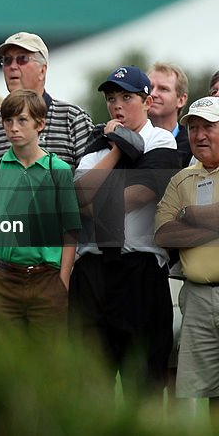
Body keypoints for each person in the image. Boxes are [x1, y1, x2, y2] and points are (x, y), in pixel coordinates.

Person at [71, 65, 182, 396]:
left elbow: (140, 195)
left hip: (140, 270)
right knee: (90, 384)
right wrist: (119, 146)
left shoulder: (159, 139)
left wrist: (97, 197)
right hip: (92, 272)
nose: (117, 105)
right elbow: (78, 198)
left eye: (126, 97)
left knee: (144, 383)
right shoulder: (96, 145)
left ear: (147, 102)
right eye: (110, 98)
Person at [0, 89, 81, 338]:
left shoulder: (59, 170)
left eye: (22, 120)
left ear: (40, 124)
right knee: (10, 364)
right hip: (6, 278)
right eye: (8, 120)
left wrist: (62, 281)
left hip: (47, 278)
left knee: (47, 366)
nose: (14, 127)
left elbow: (71, 230)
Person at [154, 96, 219, 421]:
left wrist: (191, 215)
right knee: (205, 391)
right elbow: (164, 234)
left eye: (208, 126)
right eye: (193, 128)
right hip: (196, 298)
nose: (199, 135)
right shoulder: (182, 178)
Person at [0, 32, 94, 169]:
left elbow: (91, 182)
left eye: (22, 59)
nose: (12, 66)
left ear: (42, 70)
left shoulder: (72, 118)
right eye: (7, 60)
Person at [148, 62, 192, 167]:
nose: (153, 94)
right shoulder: (125, 142)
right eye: (150, 87)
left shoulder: (194, 148)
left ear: (181, 100)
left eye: (163, 89)